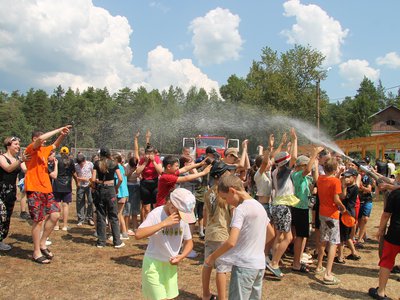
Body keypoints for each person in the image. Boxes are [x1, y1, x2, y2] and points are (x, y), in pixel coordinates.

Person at [205, 174, 273, 300]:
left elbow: (231, 242)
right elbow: (271, 234)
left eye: (225, 198)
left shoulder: (241, 210)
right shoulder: (259, 206)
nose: (227, 202)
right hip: (258, 265)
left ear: (232, 191)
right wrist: (254, 246)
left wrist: (212, 257)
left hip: (244, 266)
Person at [135, 188, 195, 300]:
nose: (181, 216)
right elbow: (138, 234)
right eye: (179, 212)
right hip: (153, 264)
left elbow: (189, 242)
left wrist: (181, 256)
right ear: (171, 204)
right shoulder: (156, 214)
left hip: (170, 266)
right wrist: (163, 223)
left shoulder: (183, 219)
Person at [24, 125, 71, 264]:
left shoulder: (44, 151)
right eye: (42, 140)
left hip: (47, 189)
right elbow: (41, 139)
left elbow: (55, 145)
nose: (44, 142)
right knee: (38, 221)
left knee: (56, 215)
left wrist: (62, 135)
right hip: (34, 188)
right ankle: (36, 251)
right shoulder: (30, 149)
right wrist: (58, 129)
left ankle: (43, 243)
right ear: (34, 139)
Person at [267, 128, 299, 279]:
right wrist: (295, 140)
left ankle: (272, 260)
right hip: (283, 207)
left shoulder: (275, 171)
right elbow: (294, 157)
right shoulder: (285, 171)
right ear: (286, 163)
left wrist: (282, 145)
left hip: (277, 205)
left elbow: (276, 158)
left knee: (279, 236)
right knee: (288, 238)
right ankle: (274, 263)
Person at [202, 161, 235, 300]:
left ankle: (205, 294)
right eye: (227, 171)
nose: (230, 173)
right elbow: (233, 214)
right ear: (221, 175)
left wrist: (204, 228)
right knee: (222, 269)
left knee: (207, 264)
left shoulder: (208, 192)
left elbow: (205, 214)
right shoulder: (226, 193)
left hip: (210, 232)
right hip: (222, 234)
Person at [290, 146, 322, 273]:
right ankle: (296, 263)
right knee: (299, 236)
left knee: (303, 236)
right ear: (301, 165)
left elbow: (316, 180)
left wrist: (316, 165)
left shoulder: (303, 176)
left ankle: (298, 259)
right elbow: (308, 169)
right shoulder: (297, 175)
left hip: (303, 208)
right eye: (306, 165)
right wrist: (314, 155)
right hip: (299, 208)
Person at [315, 157, 346, 285]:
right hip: (332, 215)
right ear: (335, 169)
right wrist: (343, 208)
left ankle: (319, 265)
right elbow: (336, 199)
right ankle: (328, 274)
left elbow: (328, 180)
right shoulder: (336, 182)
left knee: (323, 239)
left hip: (322, 213)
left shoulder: (320, 179)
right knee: (333, 242)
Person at [368, 187, 400, 300]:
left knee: (387, 261)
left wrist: (380, 230)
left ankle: (380, 292)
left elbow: (386, 214)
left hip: (395, 233)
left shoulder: (395, 193)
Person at [91, 148, 125, 249]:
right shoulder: (114, 163)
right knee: (113, 216)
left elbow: (93, 179)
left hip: (100, 189)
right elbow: (120, 178)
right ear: (109, 154)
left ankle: (101, 242)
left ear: (100, 154)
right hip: (111, 190)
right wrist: (116, 188)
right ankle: (117, 241)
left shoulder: (97, 163)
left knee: (101, 215)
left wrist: (96, 184)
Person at [0, 137, 28, 252]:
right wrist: (21, 160)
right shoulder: (2, 157)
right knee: (1, 216)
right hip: (0, 191)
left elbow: (26, 170)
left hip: (11, 192)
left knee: (7, 217)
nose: (18, 146)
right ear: (8, 145)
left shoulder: (17, 159)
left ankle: (1, 240)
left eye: (18, 144)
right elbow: (8, 168)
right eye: (16, 144)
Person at [336, 168, 361, 263]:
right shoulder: (352, 186)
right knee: (346, 236)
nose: (345, 178)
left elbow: (343, 196)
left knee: (342, 236)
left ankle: (340, 257)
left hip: (347, 214)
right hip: (348, 213)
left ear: (353, 178)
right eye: (344, 176)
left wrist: (343, 186)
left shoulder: (353, 188)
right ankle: (354, 253)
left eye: (348, 177)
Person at [136, 144, 163, 220]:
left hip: (155, 183)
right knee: (146, 208)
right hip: (145, 183)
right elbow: (137, 171)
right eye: (147, 153)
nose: (149, 155)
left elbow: (160, 172)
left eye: (151, 153)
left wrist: (153, 161)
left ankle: (155, 223)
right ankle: (147, 223)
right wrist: (145, 162)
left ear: (154, 154)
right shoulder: (142, 159)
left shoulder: (157, 159)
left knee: (155, 207)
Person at [52, 146, 76, 231]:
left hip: (57, 186)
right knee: (65, 206)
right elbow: (74, 172)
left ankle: (56, 225)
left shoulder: (57, 160)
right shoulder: (71, 161)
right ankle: (65, 225)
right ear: (68, 153)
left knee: (57, 205)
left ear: (61, 153)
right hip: (67, 185)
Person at [74, 153, 94, 226]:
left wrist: (92, 183)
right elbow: (74, 174)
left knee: (90, 201)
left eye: (81, 163)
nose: (80, 165)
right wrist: (77, 182)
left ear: (84, 160)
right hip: (80, 186)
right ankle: (81, 219)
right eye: (79, 163)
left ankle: (90, 218)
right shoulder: (76, 166)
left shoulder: (90, 164)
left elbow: (93, 174)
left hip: (89, 186)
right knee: (80, 202)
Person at [114, 152, 129, 240]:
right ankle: (124, 232)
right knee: (119, 214)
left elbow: (119, 180)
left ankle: (120, 233)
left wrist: (116, 188)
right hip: (124, 193)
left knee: (117, 214)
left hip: (119, 193)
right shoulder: (123, 167)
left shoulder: (117, 168)